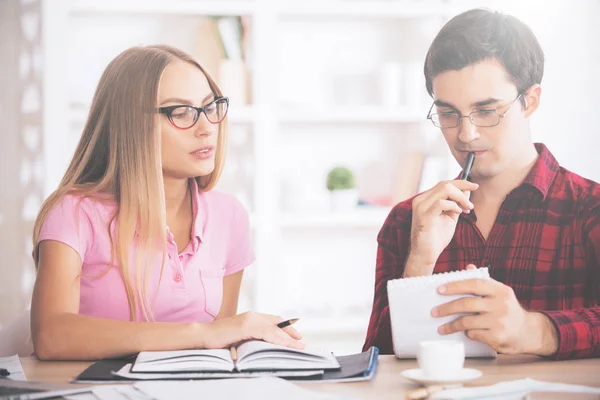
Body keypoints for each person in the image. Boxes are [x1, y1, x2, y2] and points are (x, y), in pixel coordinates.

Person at [31, 45, 303, 360]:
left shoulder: (230, 215)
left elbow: (218, 348)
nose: (206, 128)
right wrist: (203, 333)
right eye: (181, 112)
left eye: (209, 107)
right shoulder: (74, 212)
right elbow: (50, 336)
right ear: (131, 124)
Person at [364, 8, 600, 360]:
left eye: (487, 111)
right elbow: (375, 361)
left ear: (530, 100)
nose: (466, 134)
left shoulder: (589, 208)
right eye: (448, 113)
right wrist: (420, 263)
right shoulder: (406, 220)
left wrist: (536, 330)